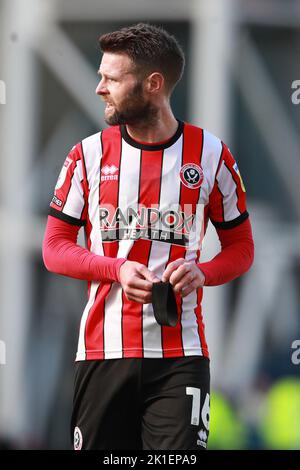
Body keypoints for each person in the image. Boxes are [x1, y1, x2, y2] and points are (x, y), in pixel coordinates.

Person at [42, 23, 254, 451]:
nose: (99, 88)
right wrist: (115, 269)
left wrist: (203, 272)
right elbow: (54, 248)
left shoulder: (211, 156)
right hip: (102, 353)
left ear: (153, 85)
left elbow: (242, 249)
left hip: (182, 355)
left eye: (111, 79)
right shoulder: (86, 155)